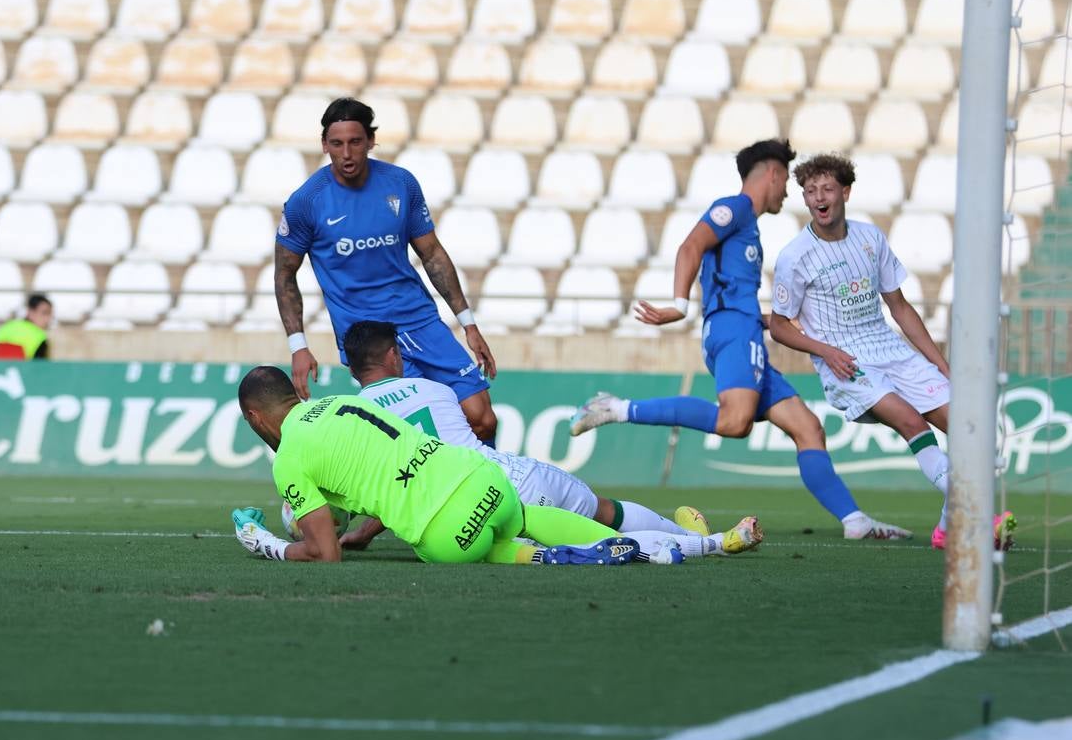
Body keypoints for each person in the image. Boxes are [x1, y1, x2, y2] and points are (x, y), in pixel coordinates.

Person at [569, 139, 910, 541]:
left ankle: (855, 521)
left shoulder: (748, 224)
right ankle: (617, 407)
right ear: (773, 173)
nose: (786, 192)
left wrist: (764, 319)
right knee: (735, 422)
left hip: (744, 328)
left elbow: (727, 280)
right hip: (733, 332)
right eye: (786, 181)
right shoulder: (735, 208)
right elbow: (690, 245)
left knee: (807, 428)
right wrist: (679, 305)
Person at [340, 320, 763, 561]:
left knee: (591, 547)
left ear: (352, 369)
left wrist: (359, 530)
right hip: (520, 471)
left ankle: (707, 545)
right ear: (394, 355)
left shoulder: (358, 420)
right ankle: (686, 533)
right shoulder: (436, 389)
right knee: (604, 511)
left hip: (484, 499)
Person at [768, 153, 1016, 550]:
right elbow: (779, 325)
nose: (818, 197)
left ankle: (947, 528)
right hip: (846, 363)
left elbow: (899, 307)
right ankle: (975, 518)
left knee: (970, 430)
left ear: (845, 191)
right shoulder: (796, 256)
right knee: (912, 424)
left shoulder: (870, 238)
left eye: (827, 188)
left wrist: (941, 364)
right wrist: (824, 351)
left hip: (890, 349)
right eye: (810, 190)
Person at [232, 365, 640, 565]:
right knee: (524, 518)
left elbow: (326, 554)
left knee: (483, 546)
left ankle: (547, 558)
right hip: (488, 482)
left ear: (255, 417)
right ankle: (687, 544)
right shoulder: (346, 403)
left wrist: (267, 543)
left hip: (447, 536)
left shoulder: (289, 460)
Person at [273, 97, 498, 443]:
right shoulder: (307, 201)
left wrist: (468, 323)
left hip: (419, 319)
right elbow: (285, 274)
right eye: (336, 144)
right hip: (367, 336)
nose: (346, 153)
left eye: (355, 142)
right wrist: (298, 345)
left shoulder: (400, 184)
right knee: (409, 435)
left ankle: (491, 489)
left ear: (371, 141)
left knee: (482, 419)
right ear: (324, 145)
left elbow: (432, 254)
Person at [0, 294, 52, 359]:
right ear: (31, 312)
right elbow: (41, 367)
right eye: (45, 313)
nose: (48, 318)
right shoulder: (40, 336)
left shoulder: (5, 328)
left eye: (50, 314)